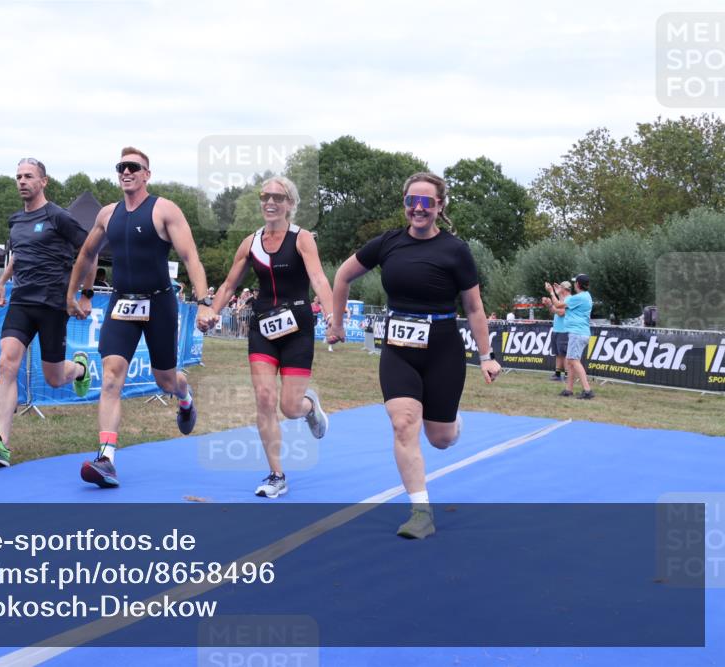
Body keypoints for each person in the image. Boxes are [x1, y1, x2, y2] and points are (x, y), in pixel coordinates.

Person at [328, 172, 501, 540]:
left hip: (442, 348)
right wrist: (337, 322)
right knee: (404, 422)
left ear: (440, 206)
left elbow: (473, 307)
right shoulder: (388, 243)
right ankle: (421, 511)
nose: (418, 209)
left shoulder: (456, 250)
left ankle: (453, 424)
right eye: (411, 201)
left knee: (439, 438)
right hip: (398, 349)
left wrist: (486, 355)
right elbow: (342, 276)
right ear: (404, 204)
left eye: (426, 202)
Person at [67, 146, 215, 488]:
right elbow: (87, 254)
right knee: (110, 376)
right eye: (121, 167)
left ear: (147, 174)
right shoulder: (107, 214)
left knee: (165, 380)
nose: (126, 171)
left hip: (160, 304)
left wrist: (204, 301)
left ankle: (185, 397)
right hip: (121, 304)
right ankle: (106, 459)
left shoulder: (164, 210)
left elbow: (191, 256)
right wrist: (77, 294)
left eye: (134, 167)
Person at [205, 176, 334, 498]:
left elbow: (318, 278)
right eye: (265, 196)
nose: (270, 202)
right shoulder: (250, 242)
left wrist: (332, 317)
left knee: (289, 406)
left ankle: (308, 408)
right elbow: (229, 285)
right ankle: (276, 474)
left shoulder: (302, 239)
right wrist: (211, 311)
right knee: (264, 397)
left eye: (278, 197)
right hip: (263, 327)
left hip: (298, 328)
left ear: (290, 204)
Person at [0, 157, 92, 468]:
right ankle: (2, 443)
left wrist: (85, 295)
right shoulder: (15, 221)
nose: (22, 181)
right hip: (22, 300)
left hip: (53, 303)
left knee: (53, 378)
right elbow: (19, 255)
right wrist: (1, 282)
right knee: (7, 361)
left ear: (43, 182)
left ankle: (80, 369)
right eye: (19, 176)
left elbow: (90, 251)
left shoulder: (59, 217)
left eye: (29, 176)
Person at [549, 274, 594, 399]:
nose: (574, 284)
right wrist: (560, 293)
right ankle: (569, 390)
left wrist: (552, 293)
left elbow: (558, 305)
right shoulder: (586, 296)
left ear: (578, 285)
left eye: (575, 282)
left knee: (574, 361)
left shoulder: (579, 297)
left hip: (577, 333)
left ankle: (587, 390)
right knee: (569, 361)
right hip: (580, 332)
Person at [543, 280, 572, 382]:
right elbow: (554, 312)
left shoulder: (569, 299)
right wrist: (549, 305)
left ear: (564, 289)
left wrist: (551, 301)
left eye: (560, 288)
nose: (558, 290)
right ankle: (558, 374)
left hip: (564, 330)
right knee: (558, 354)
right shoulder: (561, 299)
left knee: (564, 354)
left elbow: (561, 313)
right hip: (557, 329)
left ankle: (568, 375)